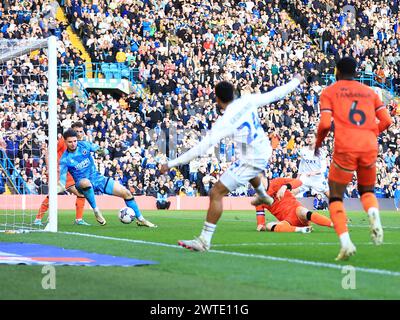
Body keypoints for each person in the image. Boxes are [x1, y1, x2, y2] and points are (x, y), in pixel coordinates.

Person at [160, 74, 304, 251]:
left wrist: (171, 163)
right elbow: (276, 93)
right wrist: (296, 80)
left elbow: (198, 149)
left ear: (219, 100)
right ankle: (262, 195)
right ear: (234, 93)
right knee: (248, 170)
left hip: (251, 160)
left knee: (215, 193)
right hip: (264, 150)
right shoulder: (248, 100)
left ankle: (204, 240)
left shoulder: (225, 121)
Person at [315, 57, 393, 260]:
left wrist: (317, 144)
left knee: (335, 196)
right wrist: (370, 133)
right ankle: (374, 216)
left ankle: (346, 243)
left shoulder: (329, 91)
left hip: (345, 147)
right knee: (366, 190)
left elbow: (324, 125)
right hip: (368, 145)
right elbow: (387, 120)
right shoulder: (370, 92)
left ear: (337, 72)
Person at [59, 129, 157, 228]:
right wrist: (59, 188)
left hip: (98, 179)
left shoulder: (84, 145)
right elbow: (63, 181)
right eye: (70, 142)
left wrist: (103, 151)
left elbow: (102, 150)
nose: (73, 144)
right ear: (65, 142)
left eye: (75, 141)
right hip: (81, 184)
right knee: (86, 182)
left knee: (126, 193)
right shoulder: (64, 159)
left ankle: (141, 219)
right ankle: (96, 210)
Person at [34, 122, 88, 226]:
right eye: (76, 131)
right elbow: (48, 153)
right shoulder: (63, 141)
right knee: (53, 195)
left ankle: (79, 219)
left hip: (69, 174)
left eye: (80, 131)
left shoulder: (78, 143)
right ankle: (38, 219)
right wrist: (50, 169)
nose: (79, 133)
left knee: (81, 193)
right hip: (58, 173)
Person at [255, 177, 333, 232]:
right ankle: (301, 230)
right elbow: (261, 224)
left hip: (298, 213)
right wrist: (261, 226)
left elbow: (299, 182)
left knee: (302, 211)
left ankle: (333, 224)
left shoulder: (278, 182)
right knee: (269, 225)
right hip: (288, 222)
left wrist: (284, 187)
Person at [294, 132, 329, 198]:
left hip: (318, 179)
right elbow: (302, 164)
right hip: (306, 178)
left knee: (329, 195)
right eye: (308, 137)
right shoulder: (303, 150)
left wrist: (314, 173)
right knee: (292, 192)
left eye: (311, 137)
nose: (309, 139)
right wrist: (298, 176)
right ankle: (288, 207)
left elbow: (323, 168)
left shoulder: (321, 152)